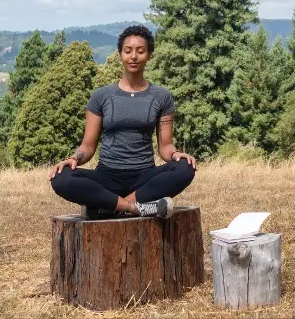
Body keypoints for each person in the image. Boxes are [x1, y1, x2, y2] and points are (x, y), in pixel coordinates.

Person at [49, 24, 196, 220]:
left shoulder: (162, 97)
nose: (133, 56)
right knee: (61, 178)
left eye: (140, 51)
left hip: (144, 178)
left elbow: (166, 146)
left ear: (149, 55)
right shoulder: (101, 96)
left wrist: (177, 155)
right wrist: (74, 158)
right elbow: (88, 145)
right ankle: (136, 208)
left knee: (185, 168)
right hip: (106, 177)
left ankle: (108, 206)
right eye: (128, 51)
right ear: (120, 54)